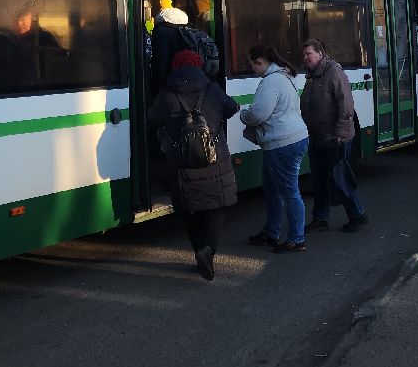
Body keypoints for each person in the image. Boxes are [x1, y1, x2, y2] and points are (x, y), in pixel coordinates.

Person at [147, 49, 240, 281]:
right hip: (214, 159)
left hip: (181, 163)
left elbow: (151, 118)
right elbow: (232, 108)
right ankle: (207, 250)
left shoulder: (167, 95)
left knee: (190, 207)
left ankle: (198, 248)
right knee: (216, 206)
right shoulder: (213, 90)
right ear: (199, 65)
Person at [240, 44, 311, 253]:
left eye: (252, 64)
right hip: (291, 139)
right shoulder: (284, 76)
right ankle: (271, 232)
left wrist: (244, 114)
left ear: (260, 61)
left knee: (289, 191)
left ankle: (297, 239)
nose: (252, 69)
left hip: (282, 143)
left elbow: (258, 115)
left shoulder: (271, 82)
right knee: (272, 190)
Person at [300, 38, 370, 232]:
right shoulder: (312, 76)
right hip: (317, 137)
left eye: (309, 54)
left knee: (340, 179)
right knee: (319, 180)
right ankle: (320, 218)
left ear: (320, 54)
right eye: (304, 54)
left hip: (335, 138)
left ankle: (357, 214)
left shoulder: (334, 73)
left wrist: (341, 131)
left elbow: (346, 105)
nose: (305, 57)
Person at [150, 4, 192, 92]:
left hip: (170, 85)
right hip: (188, 82)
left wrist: (157, 88)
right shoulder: (188, 30)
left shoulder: (161, 31)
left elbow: (161, 62)